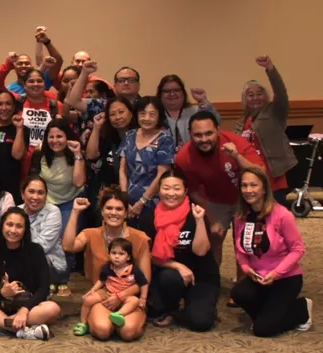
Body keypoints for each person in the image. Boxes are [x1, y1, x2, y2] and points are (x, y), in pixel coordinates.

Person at [175, 111, 270, 262]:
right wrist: (213, 220)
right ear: (190, 134)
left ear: (217, 130)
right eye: (198, 135)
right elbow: (193, 191)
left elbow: (261, 173)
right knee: (213, 240)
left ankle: (244, 281)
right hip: (215, 199)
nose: (204, 139)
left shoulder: (235, 141)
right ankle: (213, 281)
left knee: (247, 243)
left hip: (246, 199)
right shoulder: (184, 157)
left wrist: (237, 157)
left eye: (209, 133)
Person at [230, 167, 312, 336]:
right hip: (258, 278)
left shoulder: (282, 215)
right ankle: (269, 313)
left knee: (263, 330)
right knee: (239, 293)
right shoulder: (240, 216)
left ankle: (302, 308)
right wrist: (246, 268)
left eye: (254, 185)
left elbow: (298, 249)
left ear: (264, 188)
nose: (248, 190)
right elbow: (240, 250)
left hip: (285, 278)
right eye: (244, 186)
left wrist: (276, 273)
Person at [62, 190, 152, 341]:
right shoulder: (90, 233)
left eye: (119, 209)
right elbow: (68, 246)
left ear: (126, 213)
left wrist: (120, 296)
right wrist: (75, 212)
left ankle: (125, 320)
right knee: (102, 330)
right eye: (109, 208)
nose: (113, 213)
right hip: (103, 295)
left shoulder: (140, 238)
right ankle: (102, 320)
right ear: (102, 212)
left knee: (128, 332)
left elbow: (144, 279)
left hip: (130, 296)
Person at [0, 208, 60, 340]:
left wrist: (24, 310)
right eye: (9, 224)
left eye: (19, 226)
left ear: (25, 230)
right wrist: (3, 292)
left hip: (30, 307)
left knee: (52, 308)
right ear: (2, 226)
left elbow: (44, 289)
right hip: (1, 307)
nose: (13, 230)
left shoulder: (36, 251)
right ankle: (22, 330)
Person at [147, 172, 218, 331]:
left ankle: (194, 306)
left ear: (185, 191)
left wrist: (199, 221)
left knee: (200, 322)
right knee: (155, 302)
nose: (171, 193)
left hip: (201, 276)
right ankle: (172, 308)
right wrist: (179, 266)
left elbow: (201, 252)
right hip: (170, 276)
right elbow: (151, 256)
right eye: (166, 188)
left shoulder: (195, 213)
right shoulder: (151, 216)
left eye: (176, 189)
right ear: (159, 191)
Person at [238, 56, 295, 205]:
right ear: (245, 99)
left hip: (273, 177)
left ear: (266, 96)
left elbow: (281, 93)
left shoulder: (275, 112)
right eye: (251, 95)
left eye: (259, 93)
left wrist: (270, 69)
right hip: (250, 179)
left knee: (275, 219)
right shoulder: (242, 121)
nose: (255, 97)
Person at [73, 238, 149, 337]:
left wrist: (143, 298)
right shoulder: (108, 267)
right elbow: (101, 280)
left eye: (121, 254)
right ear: (109, 254)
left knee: (134, 301)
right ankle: (83, 323)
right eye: (113, 253)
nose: (116, 257)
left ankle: (119, 314)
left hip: (126, 296)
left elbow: (144, 283)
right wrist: (93, 290)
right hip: (108, 293)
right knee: (88, 300)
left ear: (128, 257)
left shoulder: (133, 270)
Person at [118, 96, 174, 226]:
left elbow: (162, 175)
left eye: (152, 114)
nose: (146, 118)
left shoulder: (165, 139)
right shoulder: (129, 135)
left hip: (153, 201)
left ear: (159, 116)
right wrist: (124, 198)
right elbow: (122, 170)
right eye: (142, 114)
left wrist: (142, 202)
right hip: (129, 200)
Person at [29, 119, 85, 233]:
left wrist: (77, 154)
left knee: (66, 237)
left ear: (67, 137)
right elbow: (33, 180)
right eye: (51, 137)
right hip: (45, 201)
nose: (55, 141)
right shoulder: (40, 153)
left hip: (69, 201)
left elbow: (78, 183)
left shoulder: (77, 154)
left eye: (59, 136)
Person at [19, 176, 67, 296]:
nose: (35, 197)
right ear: (22, 194)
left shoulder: (53, 212)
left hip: (50, 262)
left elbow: (42, 246)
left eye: (40, 193)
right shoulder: (15, 211)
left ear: (46, 196)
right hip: (20, 259)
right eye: (31, 191)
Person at [157, 75, 217, 148]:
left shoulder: (195, 111)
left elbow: (216, 121)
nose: (172, 94)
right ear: (160, 94)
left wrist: (202, 101)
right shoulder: (155, 114)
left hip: (193, 156)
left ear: (183, 92)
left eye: (176, 90)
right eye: (167, 91)